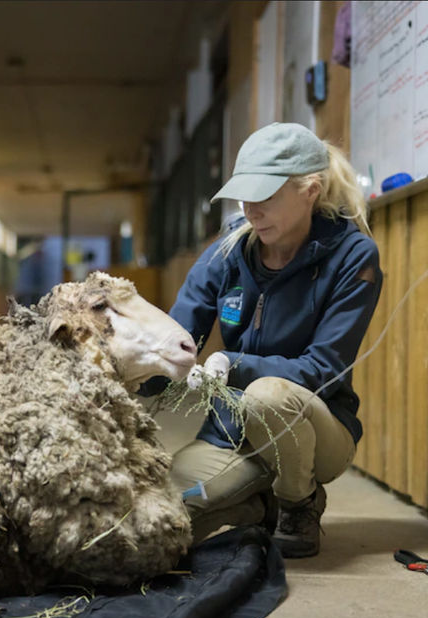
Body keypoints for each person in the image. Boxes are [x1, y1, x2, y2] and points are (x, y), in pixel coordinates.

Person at [159, 122, 382, 557]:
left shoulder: (353, 256)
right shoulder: (229, 252)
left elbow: (323, 368)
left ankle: (298, 502)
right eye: (246, 196)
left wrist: (235, 363)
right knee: (164, 516)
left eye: (266, 197)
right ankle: (255, 505)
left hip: (314, 427)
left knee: (266, 395)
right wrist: (134, 370)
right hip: (230, 429)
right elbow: (178, 334)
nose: (251, 210)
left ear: (310, 190)